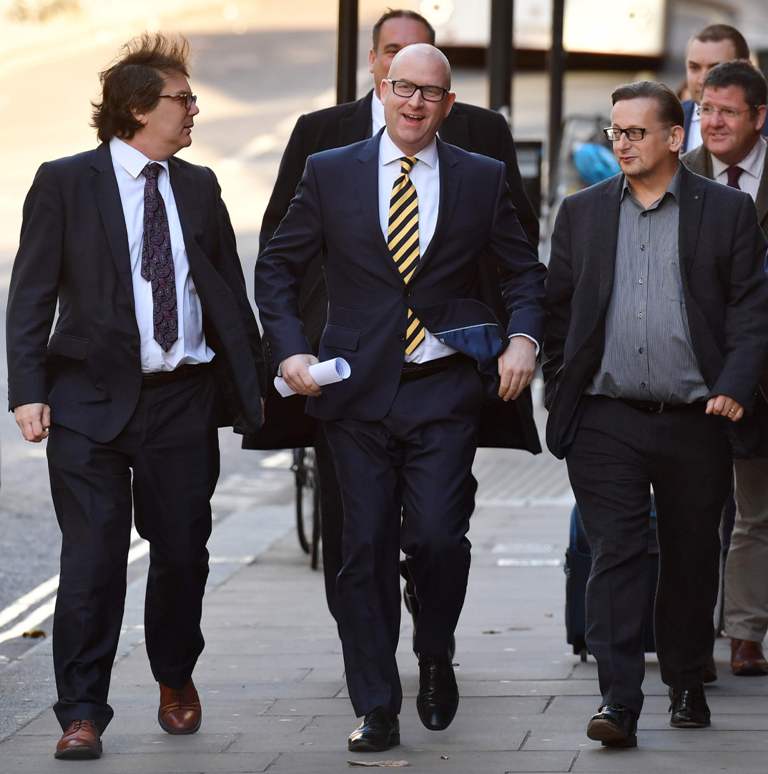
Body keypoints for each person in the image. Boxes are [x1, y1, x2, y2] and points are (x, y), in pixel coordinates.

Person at [254, 44, 546, 752]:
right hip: (354, 394)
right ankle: (377, 704)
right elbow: (278, 265)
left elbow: (522, 272)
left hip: (443, 388)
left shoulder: (480, 176)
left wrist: (524, 341)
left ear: (449, 104)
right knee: (364, 548)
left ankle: (435, 648)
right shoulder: (331, 173)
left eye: (431, 93)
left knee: (440, 539)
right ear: (381, 90)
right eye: (403, 88)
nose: (415, 103)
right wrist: (291, 348)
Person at [5, 33, 265, 760]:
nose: (194, 111)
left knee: (183, 551)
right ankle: (81, 710)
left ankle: (174, 674)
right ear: (138, 108)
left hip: (180, 398)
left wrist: (258, 382)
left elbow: (224, 295)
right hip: (88, 400)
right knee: (92, 558)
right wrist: (27, 391)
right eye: (183, 99)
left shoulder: (197, 185)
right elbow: (29, 296)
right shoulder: (64, 182)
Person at [544, 80, 768, 748]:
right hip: (605, 416)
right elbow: (556, 309)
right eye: (615, 131)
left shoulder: (725, 212)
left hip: (696, 416)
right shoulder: (580, 214)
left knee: (692, 555)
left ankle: (686, 679)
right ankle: (618, 701)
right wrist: (563, 389)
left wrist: (734, 384)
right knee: (617, 552)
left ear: (677, 137)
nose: (622, 144)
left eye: (636, 132)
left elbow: (751, 311)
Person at [682, 60, 768, 676]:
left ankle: (744, 634)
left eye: (727, 111)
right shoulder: (680, 174)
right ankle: (697, 634)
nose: (712, 122)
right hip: (703, 372)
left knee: (756, 510)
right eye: (705, 109)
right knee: (701, 509)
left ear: (759, 118)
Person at [681, 24, 768, 152]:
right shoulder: (666, 121)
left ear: (746, 68)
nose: (702, 80)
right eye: (694, 67)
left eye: (716, 69)